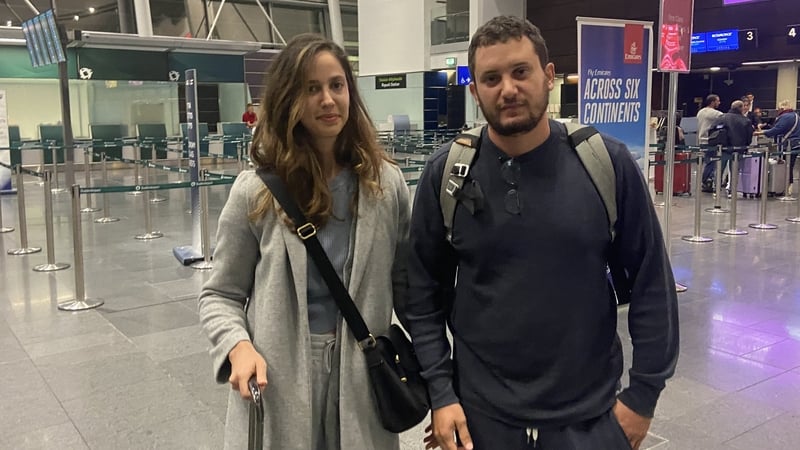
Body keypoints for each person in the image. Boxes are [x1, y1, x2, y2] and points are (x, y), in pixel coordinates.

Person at [405, 16, 679, 450]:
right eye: (491, 78)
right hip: (480, 419)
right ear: (475, 92)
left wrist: (643, 396)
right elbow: (419, 290)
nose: (508, 89)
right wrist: (441, 392)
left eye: (520, 72)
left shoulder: (604, 164)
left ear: (548, 77)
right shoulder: (448, 174)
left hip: (589, 418)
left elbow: (652, 284)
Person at [199, 33, 410, 450]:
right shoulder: (255, 192)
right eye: (311, 89)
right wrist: (237, 347)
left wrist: (442, 385)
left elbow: (411, 290)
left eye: (336, 85)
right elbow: (220, 294)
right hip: (279, 372)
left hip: (362, 372)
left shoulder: (385, 186)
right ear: (288, 99)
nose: (328, 100)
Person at [757, 99, 800, 186]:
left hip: (787, 144)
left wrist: (762, 132)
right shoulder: (796, 116)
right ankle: (788, 186)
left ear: (782, 108)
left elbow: (778, 129)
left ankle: (785, 186)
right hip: (795, 144)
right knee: (789, 165)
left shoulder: (785, 117)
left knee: (786, 166)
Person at [698, 94, 723, 191]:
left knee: (708, 161)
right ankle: (705, 181)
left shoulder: (700, 112)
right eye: (718, 101)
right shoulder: (714, 113)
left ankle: (708, 182)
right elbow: (724, 117)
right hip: (709, 141)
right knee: (711, 162)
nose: (719, 103)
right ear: (712, 102)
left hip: (701, 140)